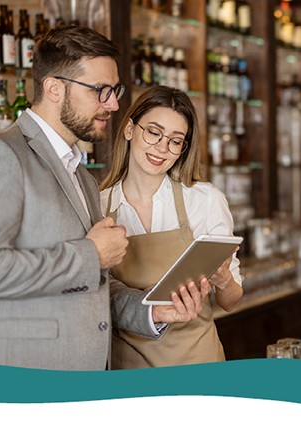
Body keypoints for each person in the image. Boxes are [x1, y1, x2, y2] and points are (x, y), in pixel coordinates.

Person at [0, 26, 208, 371]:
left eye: (115, 91)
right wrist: (91, 253)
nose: (114, 105)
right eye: (101, 91)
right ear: (54, 88)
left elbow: (94, 286)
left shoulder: (83, 178)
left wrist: (154, 310)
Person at [100, 86, 244, 368]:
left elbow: (231, 301)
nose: (162, 148)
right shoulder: (98, 205)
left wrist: (224, 280)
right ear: (130, 129)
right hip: (128, 370)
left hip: (199, 367)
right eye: (153, 132)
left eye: (175, 141)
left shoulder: (204, 200)